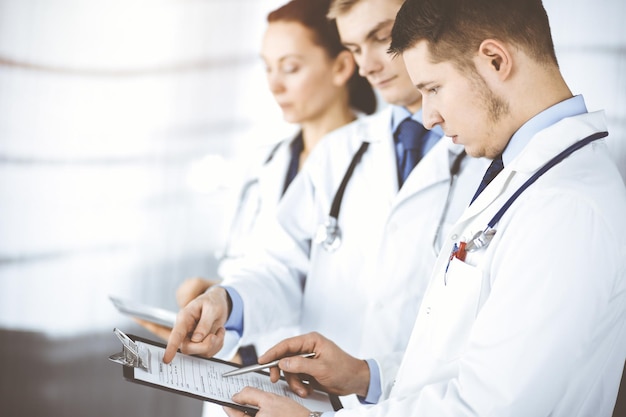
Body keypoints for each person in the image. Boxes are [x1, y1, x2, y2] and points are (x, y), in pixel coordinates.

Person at [222, 0, 626, 416]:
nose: (427, 116)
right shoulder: (524, 176)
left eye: (433, 88)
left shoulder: (566, 207)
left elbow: (494, 406)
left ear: (494, 59)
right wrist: (367, 376)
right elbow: (465, 365)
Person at [164, 0, 488, 409]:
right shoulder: (338, 153)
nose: (366, 65)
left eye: (382, 38)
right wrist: (227, 302)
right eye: (353, 48)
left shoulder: (487, 156)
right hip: (312, 399)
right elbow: (281, 265)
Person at [137, 0, 376, 365]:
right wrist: (219, 299)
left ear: (342, 66)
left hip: (318, 378)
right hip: (237, 366)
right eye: (267, 69)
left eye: (291, 68)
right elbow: (263, 267)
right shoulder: (263, 163)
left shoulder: (382, 166)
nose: (274, 84)